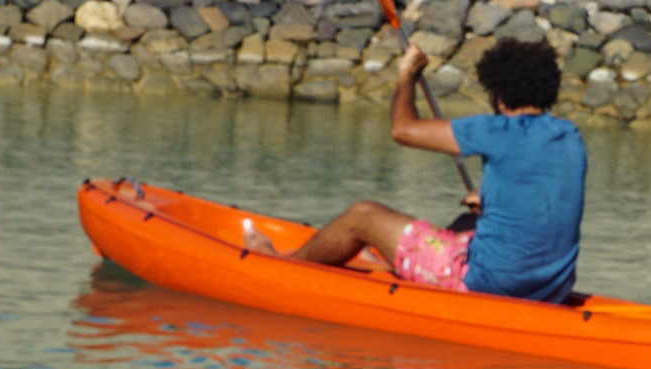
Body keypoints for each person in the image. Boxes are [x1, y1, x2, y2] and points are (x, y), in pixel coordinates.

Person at [245, 38, 587, 304]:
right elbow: (539, 198)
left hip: (488, 287)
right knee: (470, 222)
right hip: (549, 290)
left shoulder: (495, 130)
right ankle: (396, 258)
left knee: (362, 215)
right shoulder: (571, 137)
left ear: (499, 97)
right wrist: (489, 203)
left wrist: (406, 75)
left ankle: (282, 266)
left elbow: (403, 129)